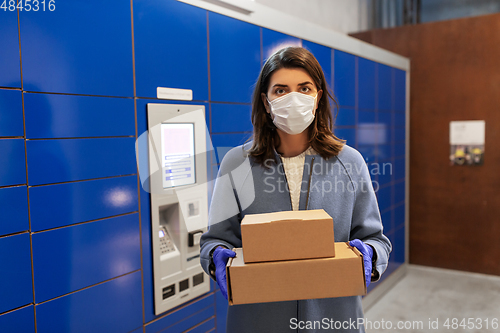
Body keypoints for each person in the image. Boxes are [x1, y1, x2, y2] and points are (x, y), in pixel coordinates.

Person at [200, 46, 392, 333]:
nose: (293, 99)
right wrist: (216, 258)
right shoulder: (236, 164)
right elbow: (214, 241)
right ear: (266, 102)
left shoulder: (349, 162)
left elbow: (376, 239)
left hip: (332, 318)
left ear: (317, 99)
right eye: (280, 90)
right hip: (258, 320)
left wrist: (370, 256)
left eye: (304, 88)